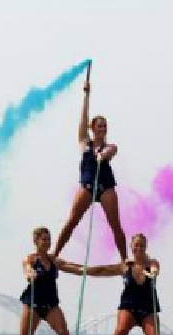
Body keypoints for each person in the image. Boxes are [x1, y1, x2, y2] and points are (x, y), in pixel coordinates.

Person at [13, 226, 108, 335]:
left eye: (49, 239)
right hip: (32, 304)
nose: (47, 242)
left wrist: (90, 270)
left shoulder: (54, 261)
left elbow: (75, 268)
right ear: (36, 241)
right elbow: (27, 269)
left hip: (51, 305)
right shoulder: (30, 259)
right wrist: (30, 274)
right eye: (44, 239)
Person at [53, 78, 127, 262]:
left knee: (115, 224)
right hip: (87, 186)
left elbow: (110, 152)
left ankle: (125, 259)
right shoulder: (84, 142)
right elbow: (83, 118)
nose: (103, 128)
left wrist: (103, 155)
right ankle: (54, 254)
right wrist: (86, 95)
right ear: (93, 128)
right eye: (99, 125)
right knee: (72, 220)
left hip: (105, 187)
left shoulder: (111, 146)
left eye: (105, 125)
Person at [95, 233, 173, 335]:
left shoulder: (152, 263)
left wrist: (153, 274)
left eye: (142, 245)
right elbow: (102, 270)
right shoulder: (126, 266)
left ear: (146, 247)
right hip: (128, 307)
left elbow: (155, 269)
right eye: (136, 245)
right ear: (131, 247)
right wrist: (81, 270)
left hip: (148, 309)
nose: (139, 248)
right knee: (120, 332)